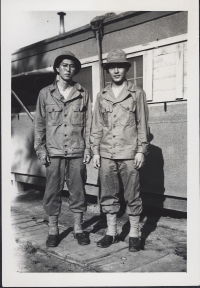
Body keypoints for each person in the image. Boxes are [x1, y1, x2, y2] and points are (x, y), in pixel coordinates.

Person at [90, 49, 149, 252]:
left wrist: (141, 150)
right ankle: (111, 232)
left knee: (132, 193)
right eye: (112, 67)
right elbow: (96, 125)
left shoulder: (137, 93)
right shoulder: (101, 96)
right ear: (108, 70)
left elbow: (142, 124)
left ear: (126, 68)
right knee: (108, 194)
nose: (116, 70)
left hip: (129, 152)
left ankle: (134, 233)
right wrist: (95, 150)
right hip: (107, 152)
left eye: (120, 66)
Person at [34, 51, 92, 247]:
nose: (69, 69)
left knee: (78, 191)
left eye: (72, 66)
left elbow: (88, 123)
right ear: (57, 68)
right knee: (52, 191)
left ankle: (78, 228)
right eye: (65, 65)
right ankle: (53, 230)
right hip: (54, 151)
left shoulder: (82, 93)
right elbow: (39, 124)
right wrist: (41, 150)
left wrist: (88, 148)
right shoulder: (45, 93)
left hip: (77, 150)